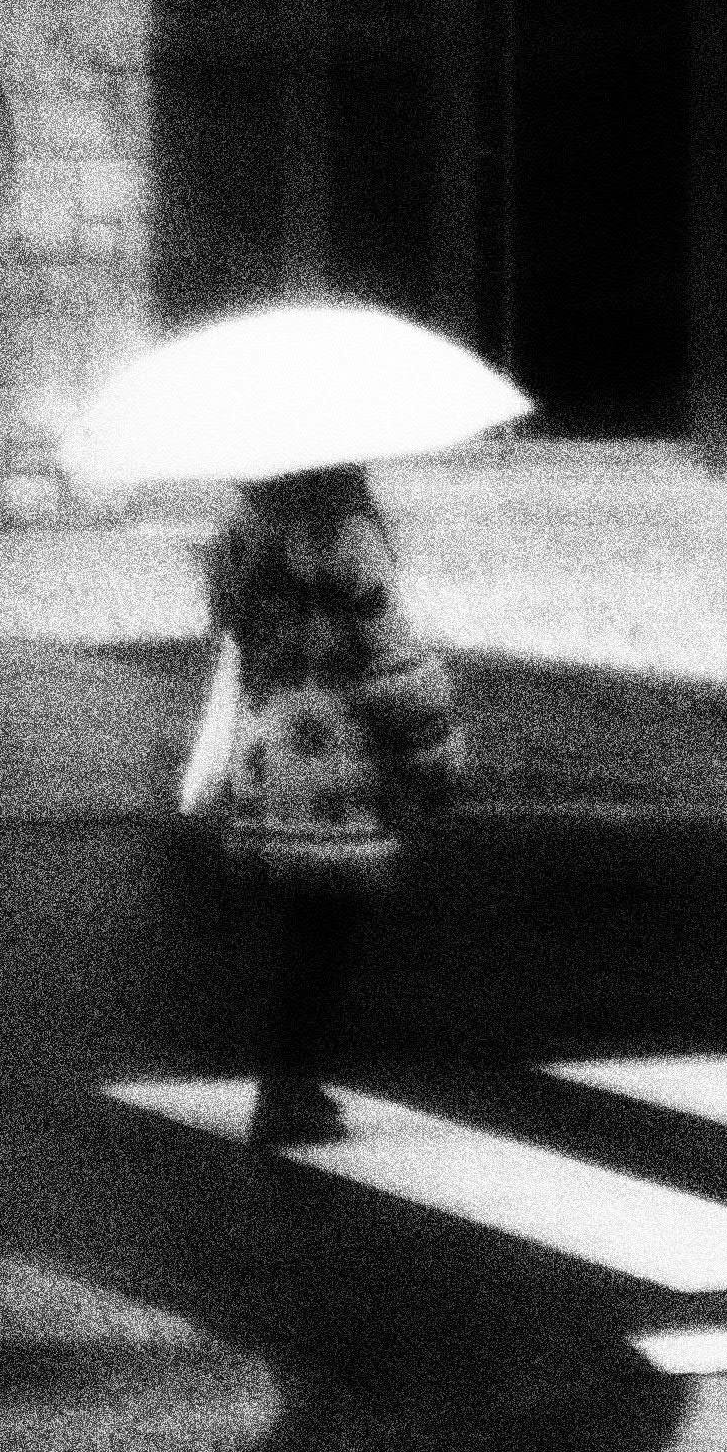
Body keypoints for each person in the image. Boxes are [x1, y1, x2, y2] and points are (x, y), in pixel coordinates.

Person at [195, 463, 466, 1149]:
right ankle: (287, 1089)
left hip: (263, 751)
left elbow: (234, 639)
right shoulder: (343, 532)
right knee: (324, 930)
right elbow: (391, 654)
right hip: (330, 759)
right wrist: (437, 748)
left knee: (298, 926)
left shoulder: (238, 536)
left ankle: (290, 1080)